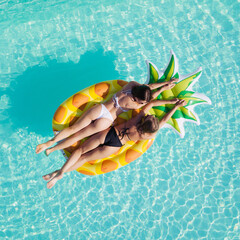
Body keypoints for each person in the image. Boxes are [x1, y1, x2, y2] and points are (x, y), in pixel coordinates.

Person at [43, 99, 186, 189]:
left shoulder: (138, 119)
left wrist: (173, 102)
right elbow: (164, 120)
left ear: (146, 120)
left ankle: (60, 171)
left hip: (110, 133)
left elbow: (152, 103)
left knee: (80, 150)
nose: (151, 115)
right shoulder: (149, 134)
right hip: (116, 145)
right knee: (84, 159)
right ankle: (58, 173)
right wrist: (175, 109)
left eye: (151, 117)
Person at [36, 78, 178, 155]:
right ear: (139, 100)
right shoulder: (136, 105)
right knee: (78, 136)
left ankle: (49, 143)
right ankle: (52, 149)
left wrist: (164, 85)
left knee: (74, 129)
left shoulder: (131, 85)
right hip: (107, 120)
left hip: (101, 109)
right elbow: (151, 97)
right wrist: (165, 88)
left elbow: (148, 88)